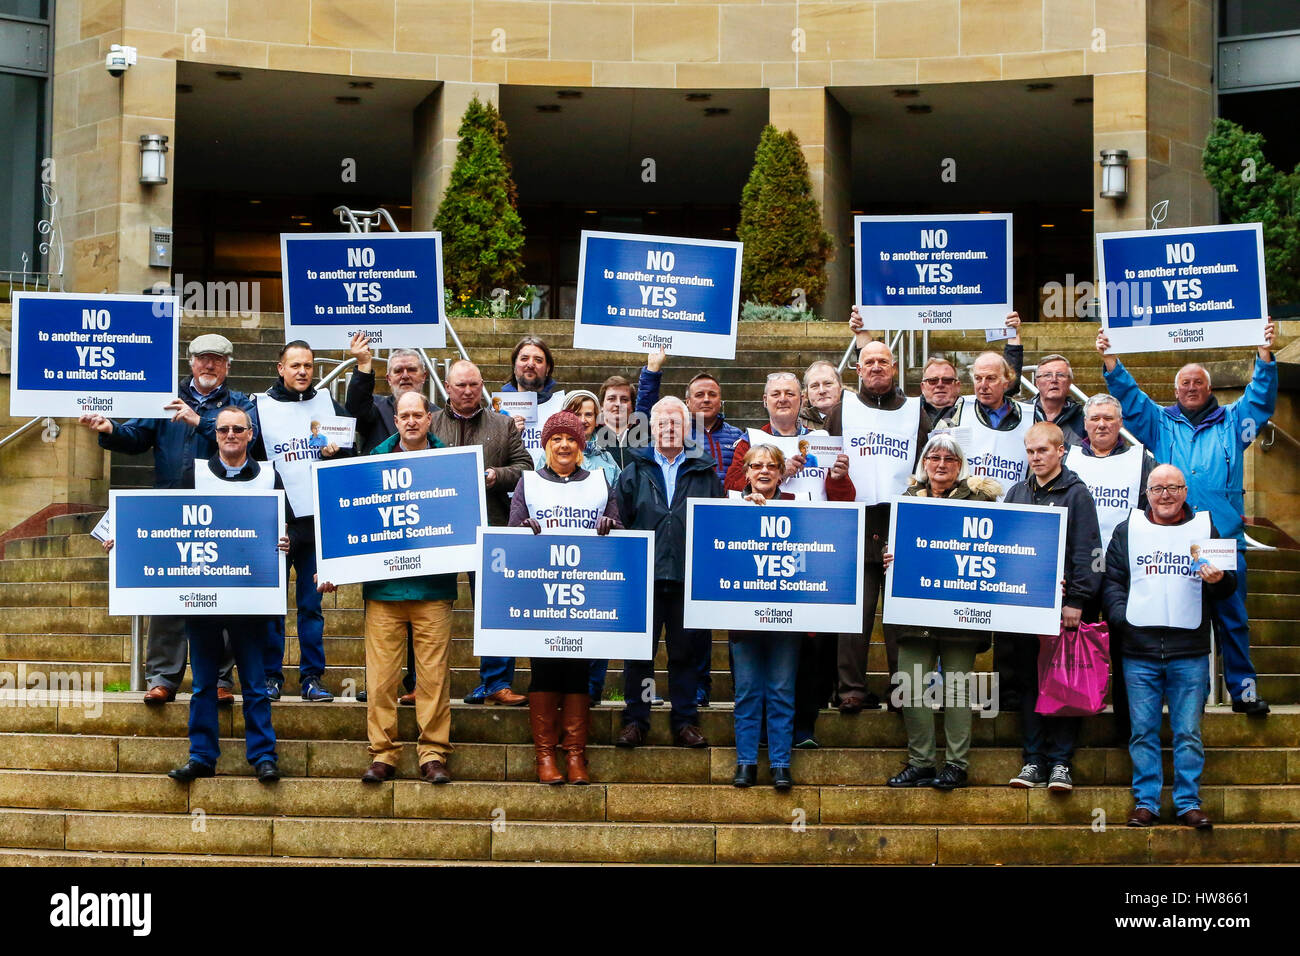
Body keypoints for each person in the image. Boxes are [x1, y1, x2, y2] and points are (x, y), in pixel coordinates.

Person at [1099, 323, 1277, 716]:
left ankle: (1243, 692)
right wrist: (1111, 362)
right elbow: (1130, 399)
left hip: (1222, 538)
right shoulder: (1159, 423)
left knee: (1232, 620)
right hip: (1168, 537)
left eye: (1199, 382)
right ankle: (1177, 695)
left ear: (1209, 388)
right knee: (1173, 617)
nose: (1192, 388)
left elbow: (1261, 402)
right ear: (1176, 391)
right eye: (1185, 384)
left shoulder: (1234, 422)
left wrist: (1264, 357)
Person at [79, 332, 251, 705]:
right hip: (169, 510)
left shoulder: (238, 404)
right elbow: (135, 436)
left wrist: (201, 420)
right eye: (203, 358)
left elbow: (248, 438)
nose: (209, 365)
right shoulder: (165, 398)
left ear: (228, 366)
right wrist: (109, 429)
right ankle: (163, 678)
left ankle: (220, 678)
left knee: (220, 595)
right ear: (190, 362)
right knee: (168, 596)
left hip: (222, 511)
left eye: (217, 360)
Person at [330, 391, 460, 785]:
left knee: (433, 678)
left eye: (418, 414)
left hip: (433, 588)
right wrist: (335, 563)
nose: (411, 421)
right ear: (397, 419)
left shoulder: (450, 464)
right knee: (382, 679)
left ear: (429, 418)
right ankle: (383, 753)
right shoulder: (372, 461)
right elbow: (353, 519)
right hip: (384, 589)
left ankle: (433, 753)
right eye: (404, 415)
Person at [1103, 465, 1235, 830]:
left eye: (1173, 487)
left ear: (1185, 491)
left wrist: (1220, 579)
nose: (1165, 494)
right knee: (1142, 730)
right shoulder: (1128, 530)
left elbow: (1228, 588)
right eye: (1157, 488)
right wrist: (1121, 618)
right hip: (1138, 649)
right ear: (1146, 492)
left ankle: (1188, 803)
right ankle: (1146, 803)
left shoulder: (1205, 530)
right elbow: (1113, 580)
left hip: (1189, 651)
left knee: (1188, 732)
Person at [166, 405, 290, 784]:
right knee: (203, 683)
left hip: (251, 597)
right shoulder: (194, 473)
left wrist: (286, 541)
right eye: (224, 430)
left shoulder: (270, 475)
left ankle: (263, 756)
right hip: (203, 597)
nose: (231, 435)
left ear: (251, 434)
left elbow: (293, 526)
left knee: (254, 682)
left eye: (239, 429)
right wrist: (120, 540)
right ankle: (202, 756)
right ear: (214, 435)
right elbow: (164, 521)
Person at [881, 434, 1002, 790]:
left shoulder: (981, 500)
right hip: (916, 611)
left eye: (950, 459)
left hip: (960, 613)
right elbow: (898, 546)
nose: (941, 464)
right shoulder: (906, 501)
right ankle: (920, 762)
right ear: (924, 464)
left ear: (960, 465)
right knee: (911, 685)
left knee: (957, 689)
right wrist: (891, 554)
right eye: (934, 457)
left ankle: (955, 765)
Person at [821, 326, 930, 713]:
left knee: (900, 613)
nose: (877, 367)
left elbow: (930, 463)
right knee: (856, 610)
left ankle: (902, 690)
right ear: (858, 369)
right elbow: (824, 463)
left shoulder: (918, 410)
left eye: (883, 361)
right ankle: (850, 688)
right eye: (870, 362)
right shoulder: (841, 410)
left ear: (896, 367)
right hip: (856, 520)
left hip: (903, 520)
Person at [510, 411, 622, 784]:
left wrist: (612, 526)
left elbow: (619, 531)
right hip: (540, 592)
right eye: (555, 439)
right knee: (544, 668)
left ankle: (575, 755)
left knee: (577, 671)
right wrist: (524, 529)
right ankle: (545, 757)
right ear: (545, 446)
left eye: (571, 440)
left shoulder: (600, 482)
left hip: (586, 595)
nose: (563, 445)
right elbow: (511, 533)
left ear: (581, 447)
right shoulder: (529, 483)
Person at [615, 397, 724, 749]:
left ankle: (685, 721)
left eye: (676, 423)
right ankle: (635, 720)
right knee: (639, 654)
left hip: (686, 578)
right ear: (651, 429)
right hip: (644, 578)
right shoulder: (634, 470)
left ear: (687, 428)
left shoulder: (704, 471)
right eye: (662, 423)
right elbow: (622, 522)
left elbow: (717, 526)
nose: (669, 429)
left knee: (685, 654)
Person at [248, 339, 351, 703]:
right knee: (274, 605)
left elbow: (349, 446)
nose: (303, 371)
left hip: (316, 523)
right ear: (280, 368)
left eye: (308, 365)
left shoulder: (326, 402)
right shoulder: (258, 407)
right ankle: (271, 677)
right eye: (295, 366)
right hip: (277, 523)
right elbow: (245, 456)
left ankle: (312, 679)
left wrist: (336, 452)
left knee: (312, 606)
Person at [1003, 423, 1103, 792]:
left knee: (1064, 683)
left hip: (1065, 611)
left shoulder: (1077, 495)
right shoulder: (1016, 492)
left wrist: (1077, 600)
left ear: (1061, 451)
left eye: (1042, 451)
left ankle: (1061, 762)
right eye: (1030, 451)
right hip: (1024, 608)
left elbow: (1088, 552)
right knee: (1029, 683)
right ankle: (1033, 760)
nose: (1035, 458)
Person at [431, 359, 534, 708]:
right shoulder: (430, 423)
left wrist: (496, 475)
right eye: (461, 385)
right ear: (447, 387)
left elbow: (526, 469)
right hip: (438, 529)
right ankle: (423, 682)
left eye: (474, 384)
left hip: (489, 526)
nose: (468, 391)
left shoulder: (503, 425)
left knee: (492, 606)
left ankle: (497, 682)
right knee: (430, 605)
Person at [1065, 392, 1155, 742]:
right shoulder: (1069, 457)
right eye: (1094, 418)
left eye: (1109, 418)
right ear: (1084, 423)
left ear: (1120, 423)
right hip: (1077, 570)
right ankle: (1074, 724)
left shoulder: (1140, 459)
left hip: (1123, 571)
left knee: (1124, 649)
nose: (1101, 424)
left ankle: (1126, 731)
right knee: (1073, 650)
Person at [848, 311, 1023, 423]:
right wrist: (862, 333)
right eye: (932, 381)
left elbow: (1007, 385)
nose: (940, 384)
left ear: (958, 385)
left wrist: (1013, 336)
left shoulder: (973, 409)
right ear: (922, 386)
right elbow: (876, 378)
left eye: (947, 380)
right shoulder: (906, 407)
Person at [933, 350, 1033, 496]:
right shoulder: (956, 412)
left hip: (1013, 508)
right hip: (964, 505)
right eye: (978, 378)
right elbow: (933, 461)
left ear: (1006, 382)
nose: (983, 385)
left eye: (991, 378)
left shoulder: (1030, 417)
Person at [635, 349, 744, 482]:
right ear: (688, 402)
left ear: (720, 401)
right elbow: (646, 415)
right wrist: (652, 371)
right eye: (699, 395)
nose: (706, 399)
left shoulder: (737, 436)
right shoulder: (677, 432)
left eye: (712, 394)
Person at [344, 334, 429, 454]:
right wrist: (363, 363)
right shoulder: (376, 408)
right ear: (389, 379)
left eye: (411, 370)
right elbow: (356, 408)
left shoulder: (437, 415)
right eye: (398, 371)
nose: (405, 376)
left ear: (424, 376)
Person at [500, 336, 561, 434]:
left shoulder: (562, 407)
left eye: (538, 360)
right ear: (514, 366)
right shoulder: (496, 409)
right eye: (524, 359)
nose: (531, 364)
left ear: (548, 368)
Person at [1026, 354, 1085, 446]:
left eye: (1060, 375)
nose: (1054, 380)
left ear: (1070, 382)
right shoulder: (1022, 413)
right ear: (1037, 382)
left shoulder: (1083, 417)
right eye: (1047, 375)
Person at [591, 375, 643, 472]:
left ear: (632, 406)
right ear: (601, 405)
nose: (618, 404)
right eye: (611, 398)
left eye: (624, 399)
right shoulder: (591, 436)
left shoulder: (644, 435)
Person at [799, 361, 842, 429]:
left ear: (840, 387)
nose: (822, 391)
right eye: (814, 386)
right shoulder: (796, 424)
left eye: (828, 384)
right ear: (807, 393)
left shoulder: (857, 417)